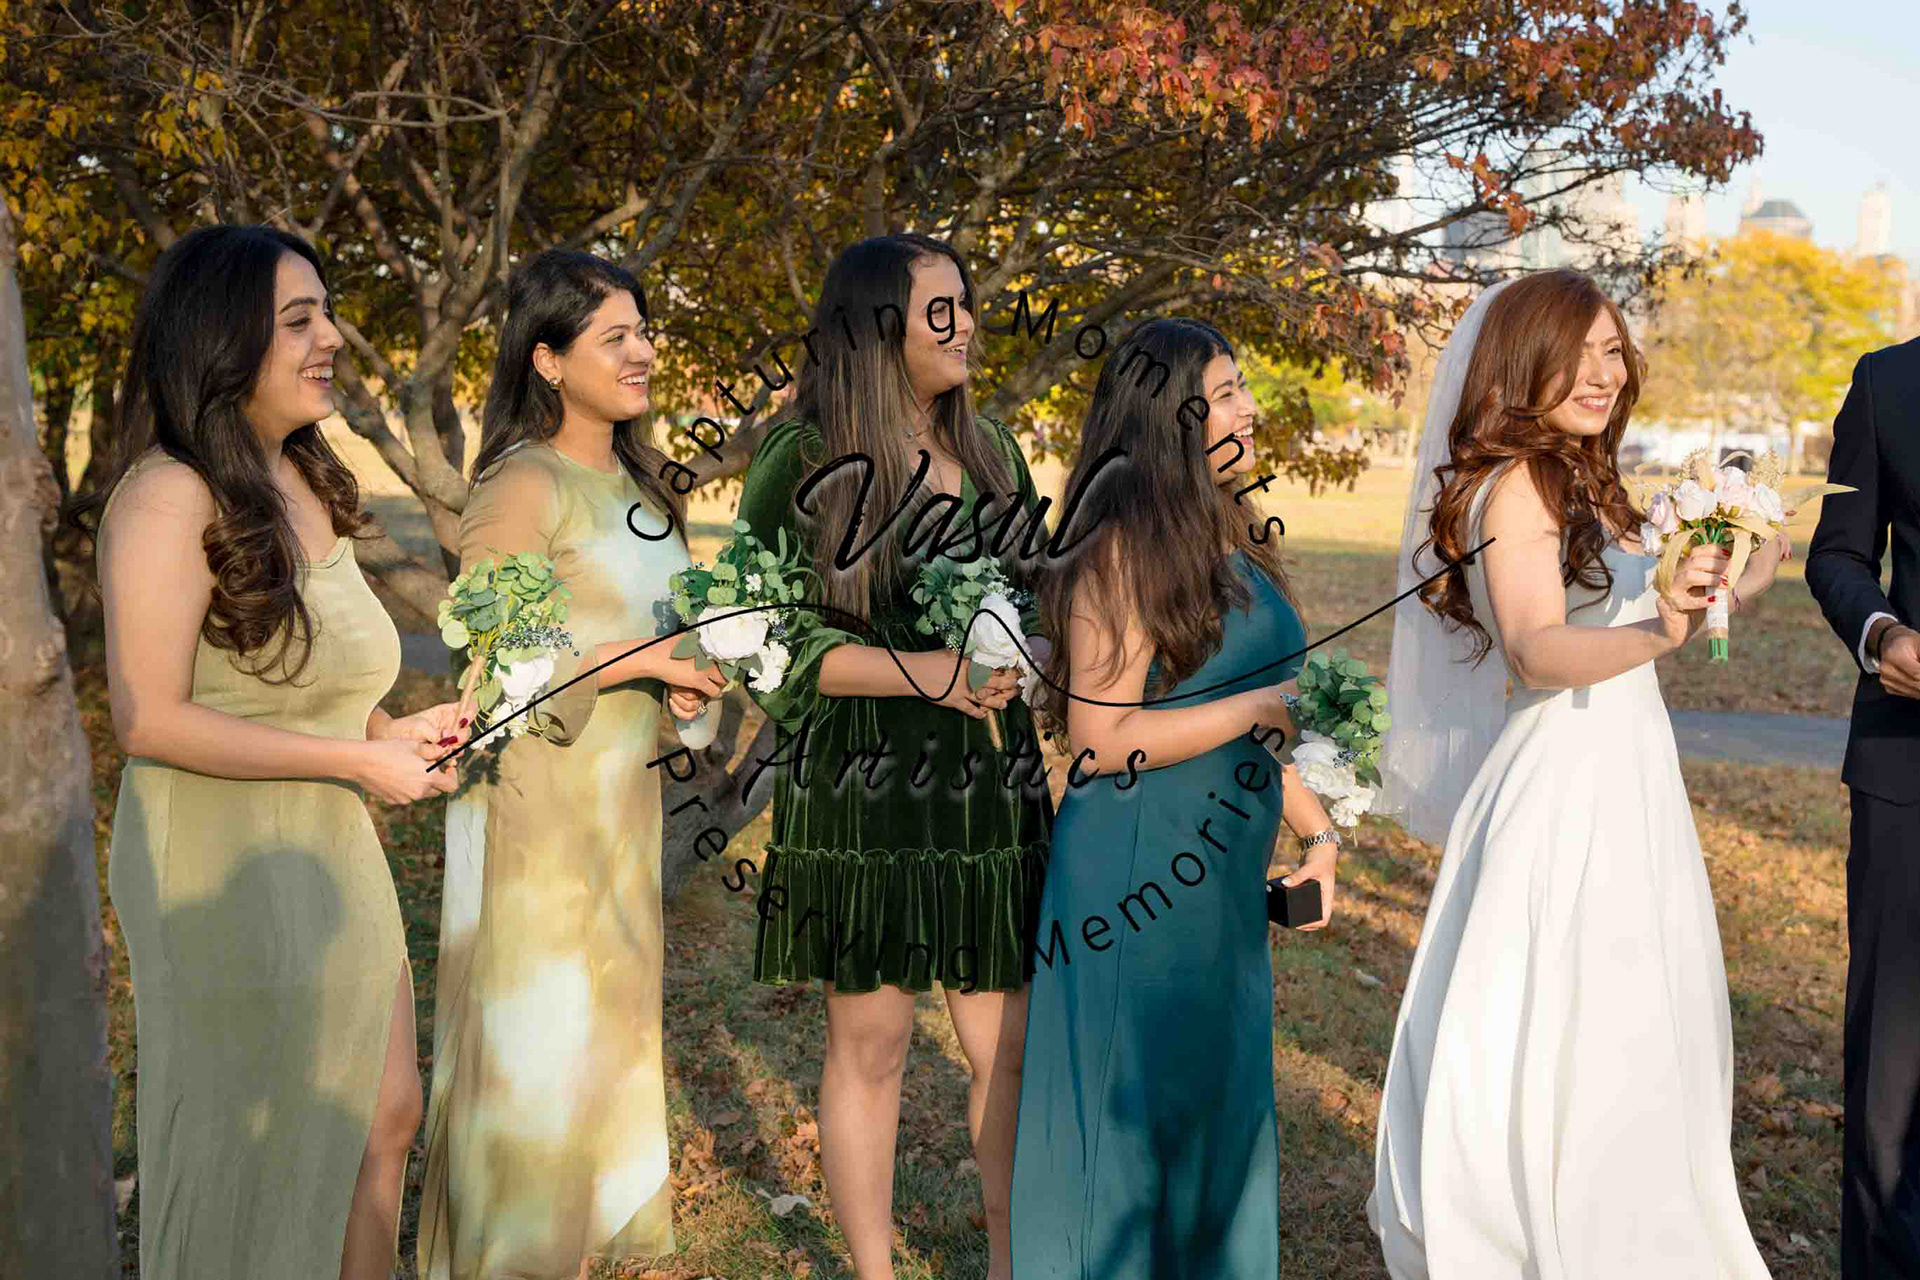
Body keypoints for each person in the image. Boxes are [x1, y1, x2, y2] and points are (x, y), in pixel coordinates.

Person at [1368, 269, 1786, 1278]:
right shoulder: (1517, 483)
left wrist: (1743, 550)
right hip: (1562, 779)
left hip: (1627, 767)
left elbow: (1664, 599)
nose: (1604, 374)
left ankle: (1631, 1214)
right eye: (1578, 354)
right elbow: (1536, 649)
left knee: (1636, 1010)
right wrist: (1662, 632)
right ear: (1525, 362)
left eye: (1612, 352)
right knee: (1572, 1013)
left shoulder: (1587, 479)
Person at [75, 224, 462, 1280]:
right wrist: (357, 764)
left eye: (326, 311)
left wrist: (386, 733)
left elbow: (304, 684)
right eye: (299, 320)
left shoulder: (302, 477)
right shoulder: (167, 495)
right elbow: (148, 718)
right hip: (217, 857)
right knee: (259, 1141)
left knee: (384, 1114)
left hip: (328, 837)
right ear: (222, 339)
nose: (331, 336)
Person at [733, 233, 1052, 1280]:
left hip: (989, 787)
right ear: (877, 326)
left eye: (968, 304)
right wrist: (931, 672)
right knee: (872, 1047)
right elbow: (768, 639)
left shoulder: (993, 449)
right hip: (862, 788)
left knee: (1006, 1049)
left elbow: (1039, 598)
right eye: (940, 309)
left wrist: (1033, 657)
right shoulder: (801, 457)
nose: (966, 327)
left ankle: (1012, 1260)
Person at [416, 250, 725, 1280]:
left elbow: (665, 637)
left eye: (645, 332)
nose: (643, 352)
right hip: (533, 810)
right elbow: (497, 665)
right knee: (534, 1053)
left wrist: (687, 691)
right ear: (547, 359)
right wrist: (641, 657)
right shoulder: (520, 483)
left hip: (619, 811)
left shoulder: (643, 490)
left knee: (598, 1050)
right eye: (614, 337)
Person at [1006, 318, 1336, 1277]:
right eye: (1225, 393)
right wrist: (1254, 711)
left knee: (1212, 1105)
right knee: (1132, 1118)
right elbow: (1099, 738)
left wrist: (1318, 837)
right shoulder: (1117, 549)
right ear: (1169, 418)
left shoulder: (1233, 534)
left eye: (1241, 389)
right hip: (1135, 875)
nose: (1248, 410)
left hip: (1222, 884)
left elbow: (1264, 715)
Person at [1805, 335, 1920, 1278]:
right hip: (1906, 767)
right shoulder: (1887, 381)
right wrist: (1880, 632)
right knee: (1892, 1062)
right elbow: (1838, 554)